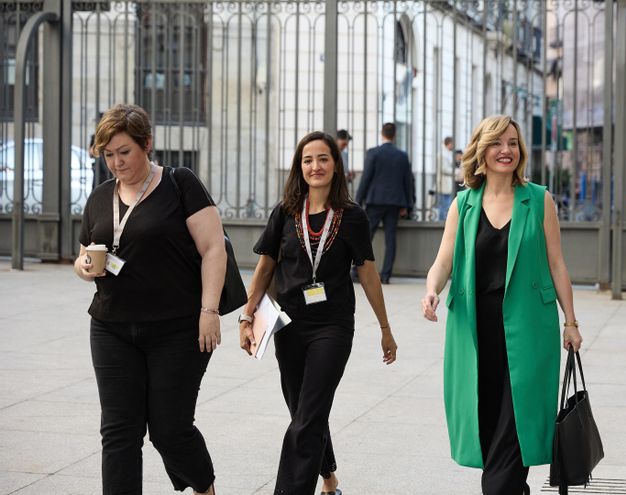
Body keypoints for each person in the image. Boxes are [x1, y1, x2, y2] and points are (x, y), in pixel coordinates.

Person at [420, 115, 583, 495]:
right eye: (496, 143)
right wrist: (432, 290)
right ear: (481, 150)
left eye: (512, 143)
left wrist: (570, 322)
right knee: (488, 421)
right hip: (475, 333)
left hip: (527, 332)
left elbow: (557, 264)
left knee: (516, 425)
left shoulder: (538, 200)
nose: (506, 150)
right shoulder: (463, 204)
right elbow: (443, 260)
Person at [73, 104, 223, 495]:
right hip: (111, 327)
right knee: (119, 432)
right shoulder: (100, 197)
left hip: (177, 328)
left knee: (170, 429)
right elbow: (84, 253)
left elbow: (213, 250)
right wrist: (84, 266)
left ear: (147, 145)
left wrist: (209, 310)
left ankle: (203, 486)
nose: (116, 162)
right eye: (108, 154)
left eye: (124, 151)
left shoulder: (180, 183)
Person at [239, 131, 398, 495]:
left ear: (336, 165)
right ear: (300, 167)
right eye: (308, 160)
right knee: (304, 411)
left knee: (308, 414)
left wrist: (385, 329)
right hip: (289, 324)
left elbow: (369, 273)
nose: (316, 166)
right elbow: (265, 267)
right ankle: (329, 480)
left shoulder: (352, 216)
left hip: (333, 325)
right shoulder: (285, 212)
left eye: (323, 158)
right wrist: (247, 317)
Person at [355, 122, 415, 284]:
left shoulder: (373, 153)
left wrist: (358, 200)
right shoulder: (402, 155)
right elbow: (408, 181)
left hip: (375, 201)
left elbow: (365, 178)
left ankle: (357, 272)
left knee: (366, 237)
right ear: (394, 135)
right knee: (391, 239)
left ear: (382, 133)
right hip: (395, 203)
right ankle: (386, 275)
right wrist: (408, 205)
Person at [435, 136, 456, 220]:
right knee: (444, 206)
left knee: (446, 205)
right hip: (444, 183)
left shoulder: (446, 153)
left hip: (447, 183)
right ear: (449, 143)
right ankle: (441, 222)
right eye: (452, 144)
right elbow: (444, 169)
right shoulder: (442, 154)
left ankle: (443, 221)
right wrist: (455, 171)